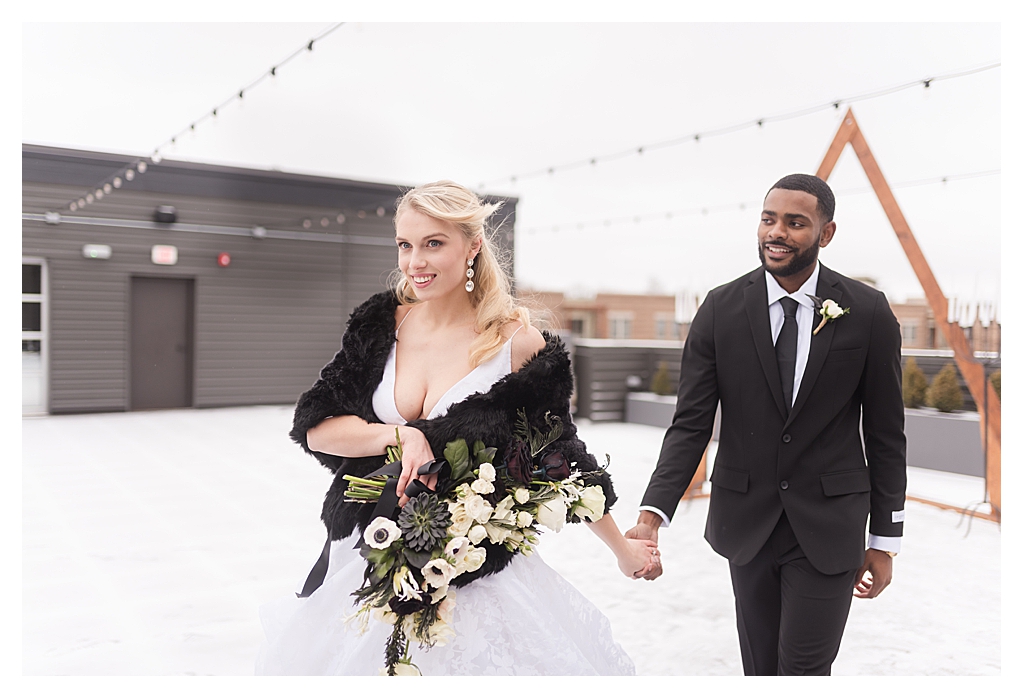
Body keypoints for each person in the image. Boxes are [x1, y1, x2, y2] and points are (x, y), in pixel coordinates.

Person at [256, 180, 657, 676]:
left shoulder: (516, 343)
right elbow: (316, 425)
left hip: (472, 574)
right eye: (405, 245)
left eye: (433, 244)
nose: (414, 262)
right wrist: (399, 436)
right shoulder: (381, 325)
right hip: (367, 551)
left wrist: (622, 550)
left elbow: (559, 454)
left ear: (473, 246)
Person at [627, 174, 907, 675]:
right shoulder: (720, 309)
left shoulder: (867, 312)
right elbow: (691, 424)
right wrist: (652, 515)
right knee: (759, 670)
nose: (776, 232)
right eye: (768, 218)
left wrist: (884, 542)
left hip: (829, 526)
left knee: (803, 669)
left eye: (795, 223)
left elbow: (886, 435)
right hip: (747, 522)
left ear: (826, 233)